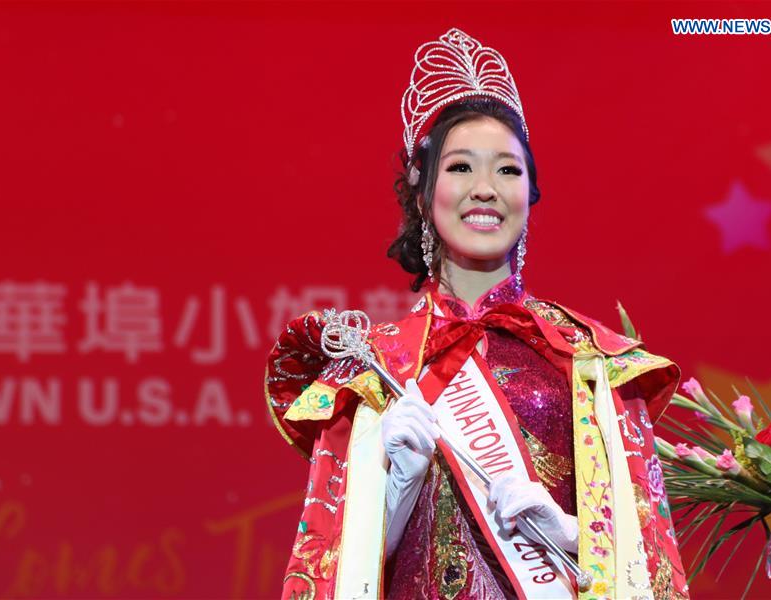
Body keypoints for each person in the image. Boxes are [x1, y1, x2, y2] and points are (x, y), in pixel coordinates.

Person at [266, 28, 689, 599]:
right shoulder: (372, 369)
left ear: (531, 194)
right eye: (461, 167)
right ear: (422, 194)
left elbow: (648, 552)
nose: (486, 188)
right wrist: (396, 491)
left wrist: (570, 534)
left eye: (509, 170)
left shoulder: (591, 360)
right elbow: (330, 569)